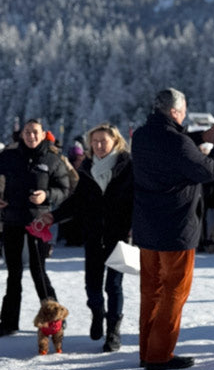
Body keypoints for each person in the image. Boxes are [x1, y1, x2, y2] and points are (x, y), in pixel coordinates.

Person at [131, 88, 214, 370]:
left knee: (150, 291)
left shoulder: (141, 136)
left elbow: (174, 145)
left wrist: (202, 137)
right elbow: (208, 171)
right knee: (174, 291)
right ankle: (159, 354)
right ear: (175, 111)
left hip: (147, 226)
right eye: (184, 110)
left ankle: (147, 349)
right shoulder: (176, 143)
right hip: (176, 227)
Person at [44, 123, 133, 351]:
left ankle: (113, 332)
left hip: (119, 237)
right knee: (92, 286)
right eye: (94, 142)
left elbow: (137, 202)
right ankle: (97, 313)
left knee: (114, 286)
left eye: (103, 141)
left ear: (115, 141)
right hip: (93, 235)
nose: (99, 145)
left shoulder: (128, 167)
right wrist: (53, 216)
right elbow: (76, 201)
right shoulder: (87, 168)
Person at [0, 118, 71, 336]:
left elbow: (64, 188)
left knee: (38, 271)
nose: (31, 136)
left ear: (43, 135)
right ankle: (9, 322)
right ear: (22, 135)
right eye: (28, 132)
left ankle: (54, 317)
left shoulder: (52, 158)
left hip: (38, 221)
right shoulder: (8, 156)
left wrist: (47, 195)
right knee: (14, 272)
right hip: (12, 219)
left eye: (35, 132)